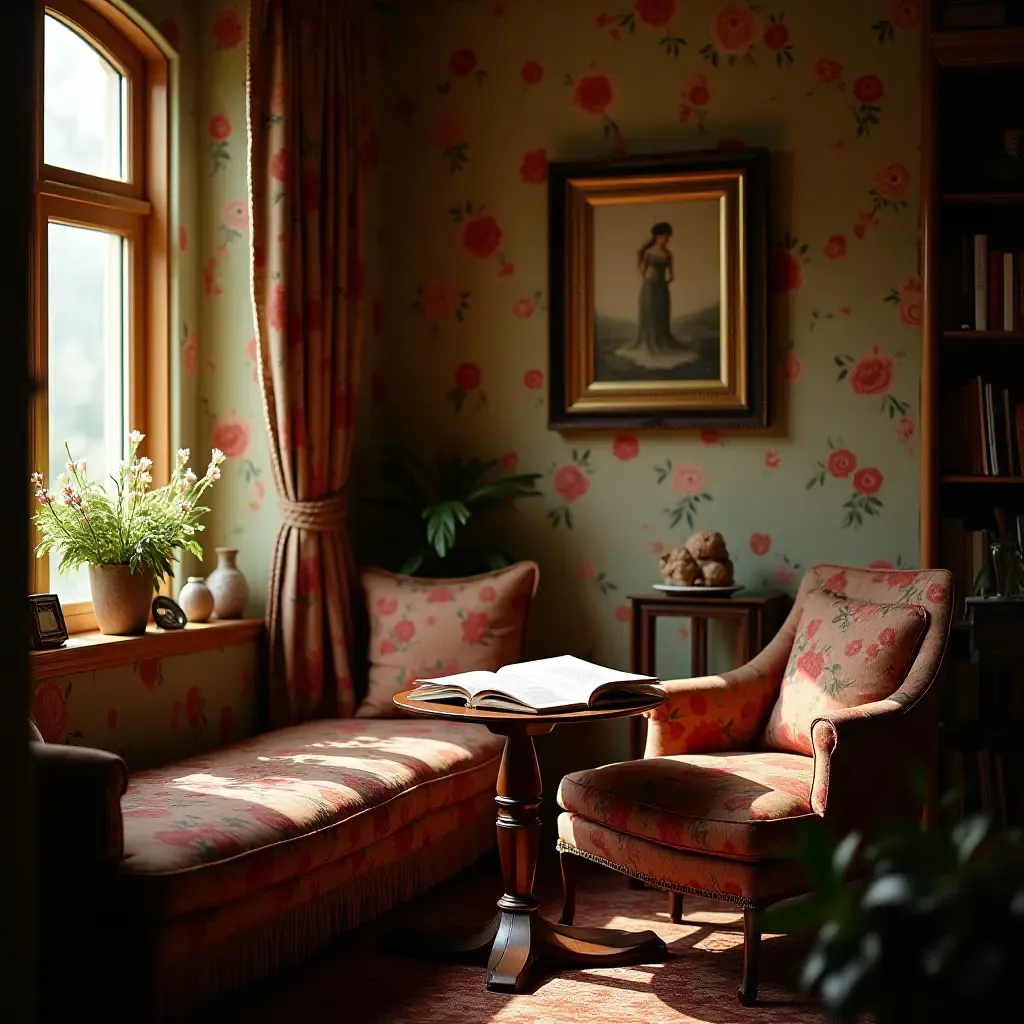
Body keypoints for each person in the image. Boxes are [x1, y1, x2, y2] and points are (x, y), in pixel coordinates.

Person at [617, 221, 697, 369]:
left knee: (661, 316)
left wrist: (663, 282)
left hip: (662, 290)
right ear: (658, 237)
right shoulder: (648, 253)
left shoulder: (668, 254)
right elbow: (641, 269)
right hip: (649, 289)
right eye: (665, 236)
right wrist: (650, 277)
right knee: (650, 315)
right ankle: (649, 345)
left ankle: (661, 342)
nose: (667, 239)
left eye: (668, 237)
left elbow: (671, 275)